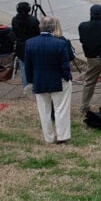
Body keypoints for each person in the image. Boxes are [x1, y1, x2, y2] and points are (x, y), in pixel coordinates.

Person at [24, 16, 72, 145]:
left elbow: (28, 66)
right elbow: (65, 65)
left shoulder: (30, 43)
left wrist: (31, 81)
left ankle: (49, 138)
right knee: (61, 108)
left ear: (40, 27)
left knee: (44, 110)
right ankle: (62, 136)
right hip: (58, 81)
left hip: (39, 80)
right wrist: (67, 78)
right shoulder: (60, 43)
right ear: (53, 27)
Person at [11, 1, 40, 88]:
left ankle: (26, 87)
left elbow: (14, 33)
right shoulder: (33, 20)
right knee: (35, 66)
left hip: (20, 47)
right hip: (33, 46)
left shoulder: (14, 20)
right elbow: (38, 33)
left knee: (23, 68)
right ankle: (36, 85)